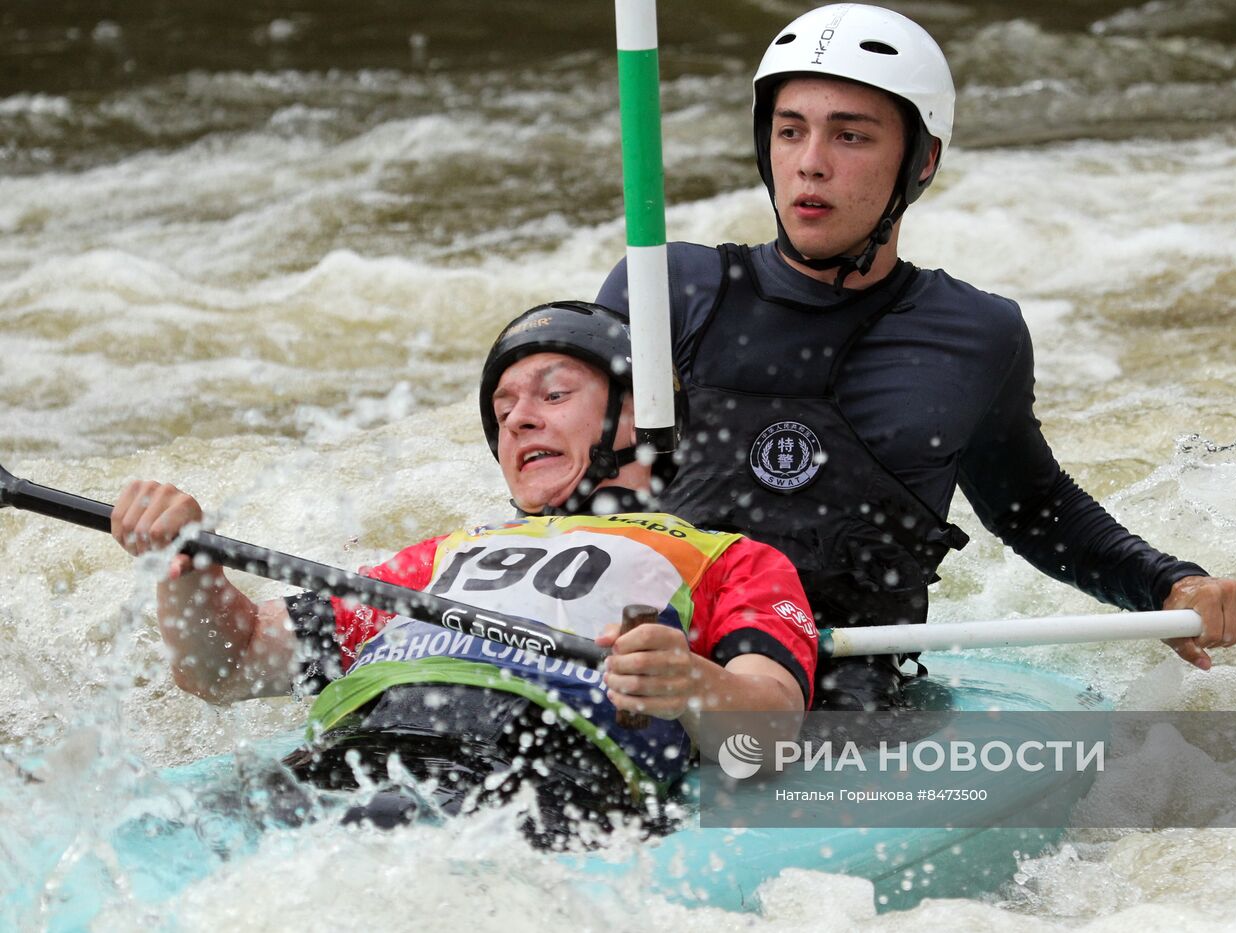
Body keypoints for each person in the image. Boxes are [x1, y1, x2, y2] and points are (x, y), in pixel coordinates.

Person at [596, 3, 1236, 711]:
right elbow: (564, 485)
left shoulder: (974, 332)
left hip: (849, 694)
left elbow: (1033, 507)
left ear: (923, 160)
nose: (810, 162)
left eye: (850, 136)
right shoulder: (665, 288)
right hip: (647, 672)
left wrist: (1167, 585)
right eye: (790, 131)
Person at [109, 301, 815, 845]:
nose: (517, 421)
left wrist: (694, 682)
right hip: (354, 759)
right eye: (504, 409)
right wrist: (187, 567)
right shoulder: (439, 556)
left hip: (545, 774)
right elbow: (225, 668)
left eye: (552, 395)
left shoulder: (731, 557)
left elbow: (774, 731)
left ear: (639, 414)